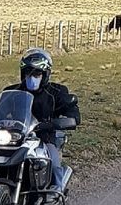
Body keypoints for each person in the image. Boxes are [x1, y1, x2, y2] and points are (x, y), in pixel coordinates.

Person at [6, 48, 80, 193]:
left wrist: (69, 119)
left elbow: (71, 109)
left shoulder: (56, 92)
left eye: (37, 74)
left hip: (45, 139)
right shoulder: (12, 92)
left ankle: (56, 192)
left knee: (52, 161)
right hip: (16, 138)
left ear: (45, 74)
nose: (31, 77)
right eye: (28, 73)